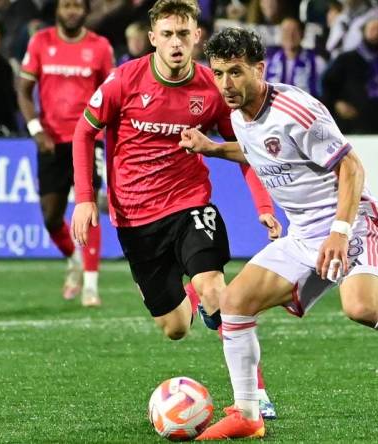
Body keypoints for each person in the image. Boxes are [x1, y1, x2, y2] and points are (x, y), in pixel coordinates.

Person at [180, 27, 378, 440]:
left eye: (235, 72)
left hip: (351, 219)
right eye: (219, 73)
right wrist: (214, 148)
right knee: (235, 304)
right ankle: (248, 413)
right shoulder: (241, 116)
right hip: (304, 234)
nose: (226, 84)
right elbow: (260, 149)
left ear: (260, 68)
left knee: (361, 307)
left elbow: (351, 168)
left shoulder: (296, 110)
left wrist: (341, 233)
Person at [70, 0, 280, 419]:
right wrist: (84, 198)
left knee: (217, 290)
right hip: (135, 217)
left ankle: (254, 395)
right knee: (176, 329)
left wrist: (263, 204)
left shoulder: (212, 88)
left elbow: (247, 151)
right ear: (153, 39)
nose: (176, 43)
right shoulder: (122, 81)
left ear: (197, 37)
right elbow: (84, 132)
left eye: (184, 34)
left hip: (191, 206)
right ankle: (189, 299)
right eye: (167, 34)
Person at [18, 0, 113, 307]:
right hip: (51, 140)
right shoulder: (40, 42)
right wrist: (35, 129)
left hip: (88, 137)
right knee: (50, 216)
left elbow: (111, 95)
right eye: (66, 5)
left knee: (90, 207)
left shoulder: (100, 47)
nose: (71, 11)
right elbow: (23, 90)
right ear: (57, 9)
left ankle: (91, 286)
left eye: (77, 5)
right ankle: (73, 260)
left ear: (86, 11)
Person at [322, 17, 378, 133]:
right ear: (363, 31)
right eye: (372, 29)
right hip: (353, 125)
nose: (376, 33)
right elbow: (327, 84)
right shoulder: (346, 59)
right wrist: (336, 103)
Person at [264, 16, 325, 97]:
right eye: (285, 31)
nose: (290, 35)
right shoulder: (267, 63)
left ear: (302, 34)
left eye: (294, 31)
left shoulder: (317, 62)